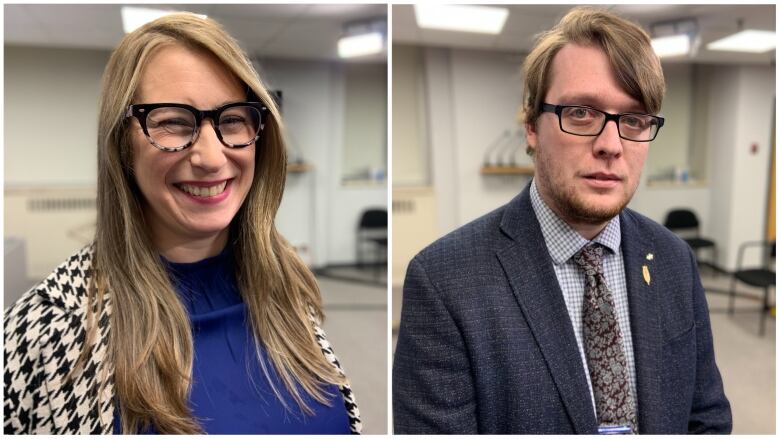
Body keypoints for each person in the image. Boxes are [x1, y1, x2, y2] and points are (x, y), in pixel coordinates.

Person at [4, 13, 360, 434]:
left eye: (231, 119)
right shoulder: (48, 332)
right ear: (121, 144)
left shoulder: (285, 286)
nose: (211, 158)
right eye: (173, 121)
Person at [393, 7, 731, 434]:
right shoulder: (445, 282)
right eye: (581, 113)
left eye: (633, 119)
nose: (611, 144)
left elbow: (707, 416)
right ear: (532, 125)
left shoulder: (672, 260)